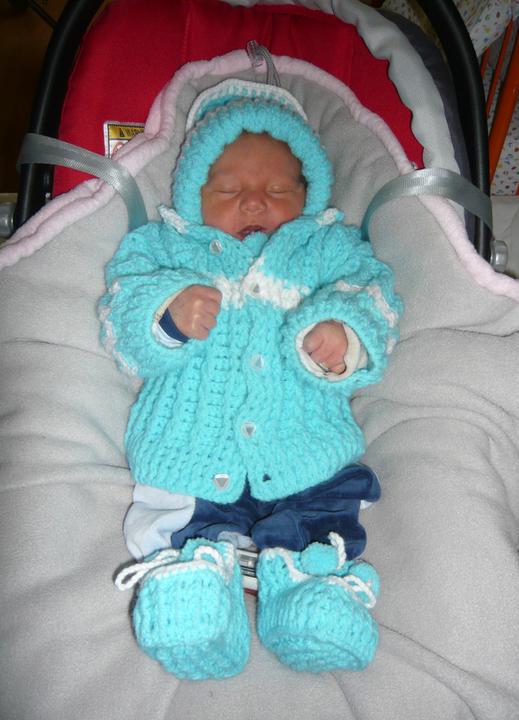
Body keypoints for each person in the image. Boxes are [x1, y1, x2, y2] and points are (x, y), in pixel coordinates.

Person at [100, 78, 402, 680]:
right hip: (191, 453)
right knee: (179, 520)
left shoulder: (328, 250)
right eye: (229, 190)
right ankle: (197, 594)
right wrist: (166, 315)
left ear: (310, 192)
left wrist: (344, 336)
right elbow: (119, 323)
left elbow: (377, 300)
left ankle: (307, 591)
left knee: (324, 512)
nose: (256, 204)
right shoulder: (165, 249)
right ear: (193, 194)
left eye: (279, 190)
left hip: (303, 450)